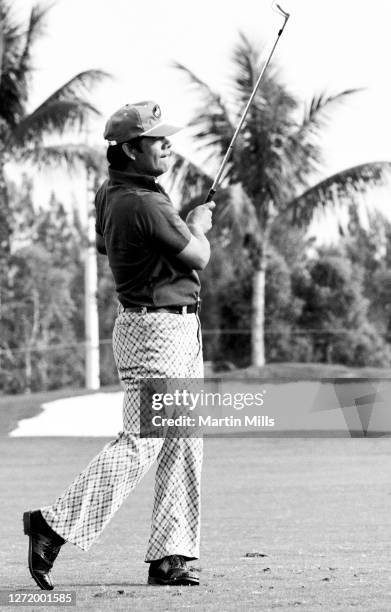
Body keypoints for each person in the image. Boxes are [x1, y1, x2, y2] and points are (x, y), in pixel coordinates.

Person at [23, 100, 215, 589]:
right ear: (131, 149)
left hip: (164, 326)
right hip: (158, 331)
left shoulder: (114, 193)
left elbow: (106, 245)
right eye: (158, 139)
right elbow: (199, 256)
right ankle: (54, 523)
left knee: (180, 439)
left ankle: (170, 556)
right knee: (146, 439)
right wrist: (199, 225)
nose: (169, 144)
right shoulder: (145, 202)